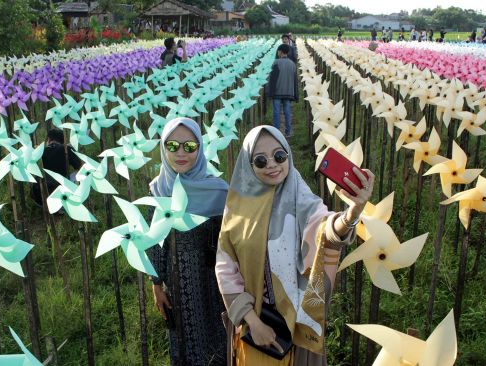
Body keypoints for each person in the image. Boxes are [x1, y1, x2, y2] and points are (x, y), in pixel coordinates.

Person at [216, 125, 374, 365]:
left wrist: (352, 214)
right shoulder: (236, 212)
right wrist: (254, 323)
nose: (272, 164)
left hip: (297, 325)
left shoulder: (302, 198)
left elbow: (325, 228)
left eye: (279, 155)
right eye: (260, 160)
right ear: (248, 165)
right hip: (256, 328)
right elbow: (225, 270)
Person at [148, 118, 230, 366]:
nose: (181, 153)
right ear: (163, 149)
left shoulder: (219, 191)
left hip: (213, 282)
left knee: (216, 338)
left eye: (189, 146)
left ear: (200, 148)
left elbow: (233, 241)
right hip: (177, 283)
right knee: (182, 339)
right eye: (172, 146)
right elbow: (156, 240)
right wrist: (156, 284)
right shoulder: (160, 189)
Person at [30, 129, 82, 206]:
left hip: (39, 194)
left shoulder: (41, 151)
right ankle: (70, 202)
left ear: (49, 139)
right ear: (63, 141)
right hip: (62, 192)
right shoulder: (67, 149)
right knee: (80, 172)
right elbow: (80, 167)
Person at [266, 44, 298, 138]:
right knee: (287, 111)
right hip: (288, 92)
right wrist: (294, 93)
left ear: (280, 52)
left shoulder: (276, 62)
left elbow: (272, 79)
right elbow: (295, 80)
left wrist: (269, 92)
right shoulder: (292, 64)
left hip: (277, 92)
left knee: (276, 112)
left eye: (278, 51)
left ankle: (276, 133)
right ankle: (288, 131)